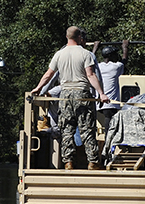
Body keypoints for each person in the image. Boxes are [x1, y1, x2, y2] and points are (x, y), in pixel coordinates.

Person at [31, 26, 110, 170]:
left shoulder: (59, 54)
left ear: (67, 37)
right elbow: (91, 75)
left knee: (67, 129)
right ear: (80, 37)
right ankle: (92, 161)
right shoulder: (86, 54)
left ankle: (68, 162)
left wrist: (38, 88)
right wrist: (101, 93)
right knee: (87, 129)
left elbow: (48, 75)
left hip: (65, 95)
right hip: (82, 94)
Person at [97, 45, 125, 131]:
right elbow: (124, 60)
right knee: (109, 121)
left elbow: (90, 59)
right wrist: (125, 48)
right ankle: (107, 140)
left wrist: (95, 47)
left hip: (98, 103)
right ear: (110, 56)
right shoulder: (115, 67)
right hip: (110, 102)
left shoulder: (98, 66)